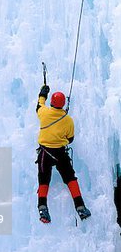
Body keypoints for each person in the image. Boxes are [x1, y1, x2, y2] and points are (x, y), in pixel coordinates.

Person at [36, 84, 91, 223]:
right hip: (60, 154)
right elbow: (70, 139)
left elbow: (39, 105)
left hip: (45, 153)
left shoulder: (44, 113)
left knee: (44, 180)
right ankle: (80, 207)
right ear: (63, 104)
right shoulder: (68, 120)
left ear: (52, 103)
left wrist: (43, 93)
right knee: (71, 179)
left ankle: (42, 208)